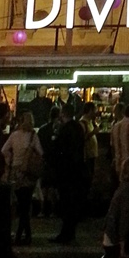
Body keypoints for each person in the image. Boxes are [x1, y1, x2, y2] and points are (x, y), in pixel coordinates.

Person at [2, 112, 43, 245]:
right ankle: (24, 235)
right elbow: (41, 153)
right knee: (26, 205)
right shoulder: (33, 136)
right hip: (28, 173)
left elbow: (4, 150)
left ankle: (22, 235)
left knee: (21, 203)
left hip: (16, 172)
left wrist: (10, 161)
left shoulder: (14, 135)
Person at [50, 101, 84, 244]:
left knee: (65, 202)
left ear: (63, 114)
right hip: (77, 171)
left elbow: (60, 150)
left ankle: (65, 234)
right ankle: (70, 233)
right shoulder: (79, 128)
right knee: (72, 203)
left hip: (66, 171)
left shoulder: (64, 130)